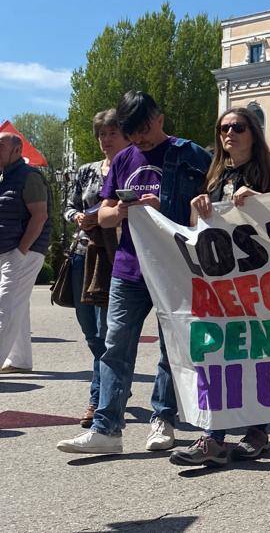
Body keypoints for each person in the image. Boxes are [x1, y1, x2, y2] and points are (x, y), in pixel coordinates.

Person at [57, 90, 212, 455]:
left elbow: (209, 205)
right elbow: (104, 214)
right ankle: (106, 428)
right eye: (133, 132)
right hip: (128, 266)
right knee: (115, 347)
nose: (140, 138)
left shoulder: (190, 154)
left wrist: (165, 207)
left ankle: (163, 418)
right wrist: (123, 212)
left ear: (159, 117)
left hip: (175, 266)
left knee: (170, 348)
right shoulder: (126, 158)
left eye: (144, 129)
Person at [169, 107, 270, 466]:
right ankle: (213, 438)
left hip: (261, 281)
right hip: (221, 283)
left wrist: (262, 204)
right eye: (223, 128)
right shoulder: (215, 174)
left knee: (257, 356)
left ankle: (256, 432)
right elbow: (196, 227)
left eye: (238, 127)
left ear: (253, 132)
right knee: (219, 356)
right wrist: (197, 206)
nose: (230, 134)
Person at [63, 110, 131, 425]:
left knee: (107, 332)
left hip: (115, 256)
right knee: (89, 330)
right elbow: (69, 205)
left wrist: (115, 212)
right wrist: (77, 217)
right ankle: (112, 384)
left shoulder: (133, 168)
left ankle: (97, 399)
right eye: (101, 134)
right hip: (82, 253)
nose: (105, 140)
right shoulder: (87, 171)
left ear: (125, 135)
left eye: (111, 133)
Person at [0, 132, 51, 374]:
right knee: (16, 305)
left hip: (23, 251)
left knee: (5, 306)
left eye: (0, 146)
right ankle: (20, 359)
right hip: (9, 250)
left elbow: (40, 217)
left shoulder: (29, 176)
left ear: (17, 151)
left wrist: (21, 252)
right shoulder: (4, 177)